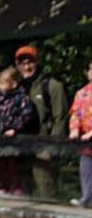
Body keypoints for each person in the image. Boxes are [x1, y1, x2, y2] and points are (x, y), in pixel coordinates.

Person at [15, 45, 69, 199]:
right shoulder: (16, 88)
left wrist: (52, 146)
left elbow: (60, 117)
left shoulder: (52, 86)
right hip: (20, 147)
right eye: (22, 63)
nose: (27, 67)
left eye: (30, 62)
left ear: (37, 62)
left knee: (47, 192)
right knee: (24, 194)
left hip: (43, 147)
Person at [0, 66, 36, 196]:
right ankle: (5, 186)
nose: (0, 86)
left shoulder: (22, 98)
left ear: (13, 84)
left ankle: (17, 188)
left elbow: (26, 115)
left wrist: (15, 128)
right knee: (1, 163)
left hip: (14, 140)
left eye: (3, 83)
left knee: (14, 164)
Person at [68, 58, 92, 208]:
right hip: (85, 143)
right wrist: (74, 128)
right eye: (90, 68)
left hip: (90, 136)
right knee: (86, 170)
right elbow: (75, 114)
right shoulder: (81, 93)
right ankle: (87, 199)